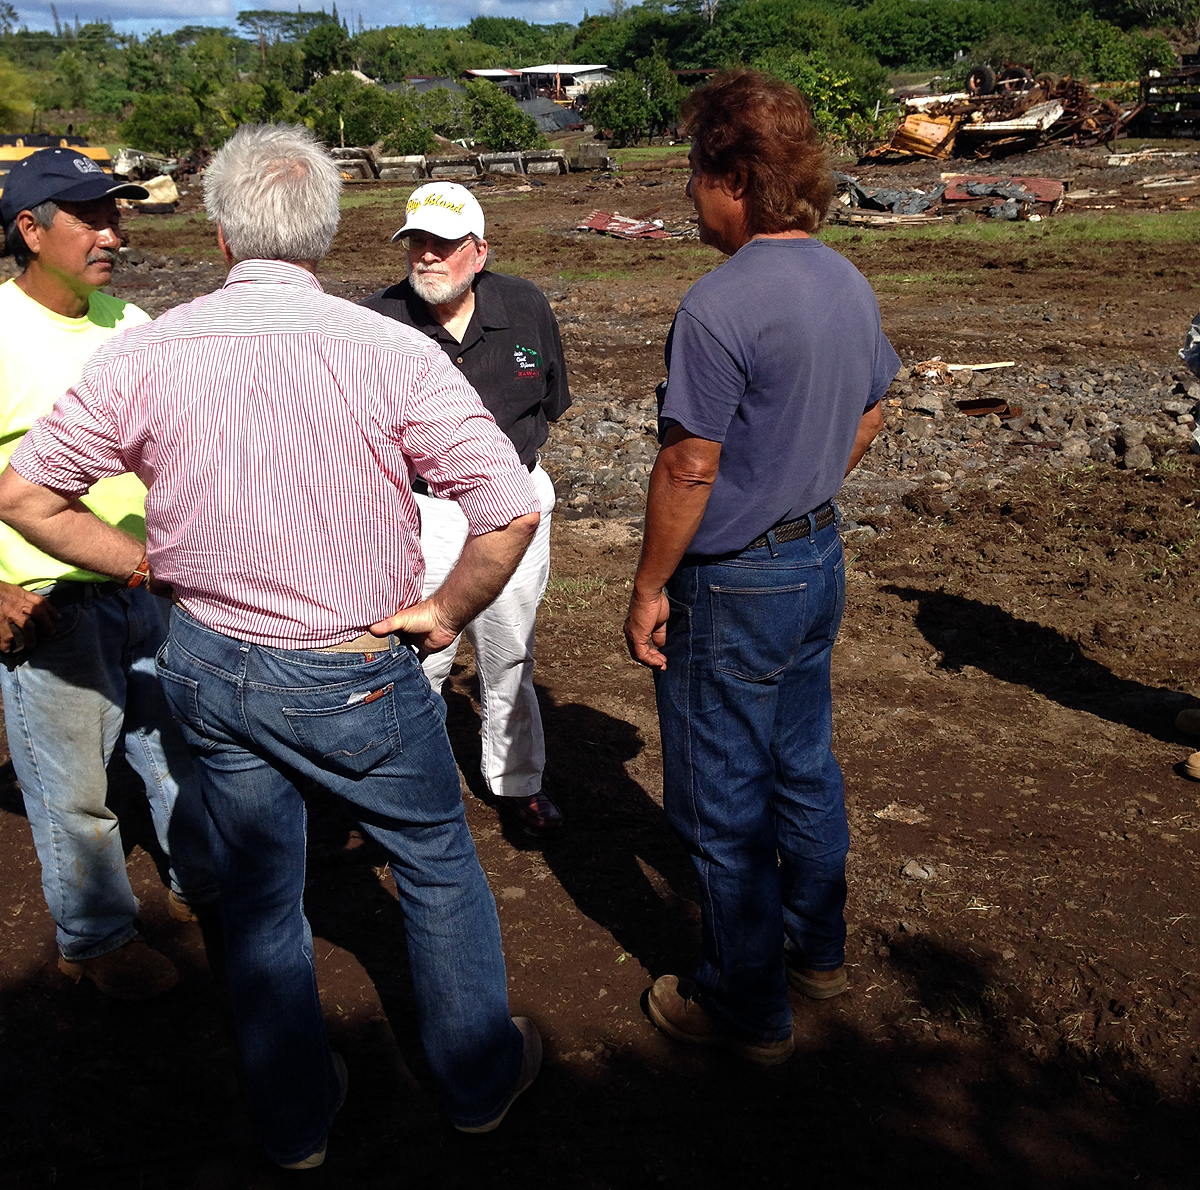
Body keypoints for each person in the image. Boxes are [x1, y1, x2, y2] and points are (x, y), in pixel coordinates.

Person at [0, 124, 542, 1169]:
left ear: (217, 233)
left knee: (257, 893)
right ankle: (475, 1080)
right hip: (351, 668)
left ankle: (295, 1117)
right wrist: (444, 611)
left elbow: (25, 494)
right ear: (329, 236)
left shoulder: (144, 347)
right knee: (434, 860)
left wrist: (138, 562)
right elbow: (507, 507)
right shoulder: (391, 350)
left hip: (209, 658)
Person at [623, 71, 899, 1065]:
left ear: (735, 176)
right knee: (802, 757)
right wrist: (811, 477)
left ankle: (744, 999)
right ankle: (814, 948)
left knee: (721, 793)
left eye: (694, 174)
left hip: (736, 578)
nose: (689, 195)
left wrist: (651, 584)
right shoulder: (842, 278)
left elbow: (687, 463)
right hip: (817, 555)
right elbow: (874, 402)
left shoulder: (717, 305)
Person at [0, 147, 216, 1001]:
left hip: (146, 587)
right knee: (74, 788)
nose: (113, 232)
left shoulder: (129, 326)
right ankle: (94, 942)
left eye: (116, 214)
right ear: (29, 229)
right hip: (49, 604)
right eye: (91, 216)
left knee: (178, 756)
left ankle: (201, 882)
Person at [361, 182, 570, 835]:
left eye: (444, 245)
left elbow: (551, 399)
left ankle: (517, 784)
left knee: (510, 647)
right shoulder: (377, 323)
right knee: (420, 652)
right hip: (421, 511)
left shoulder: (524, 305)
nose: (427, 256)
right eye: (416, 243)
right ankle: (412, 793)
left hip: (516, 502)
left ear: (478, 252)